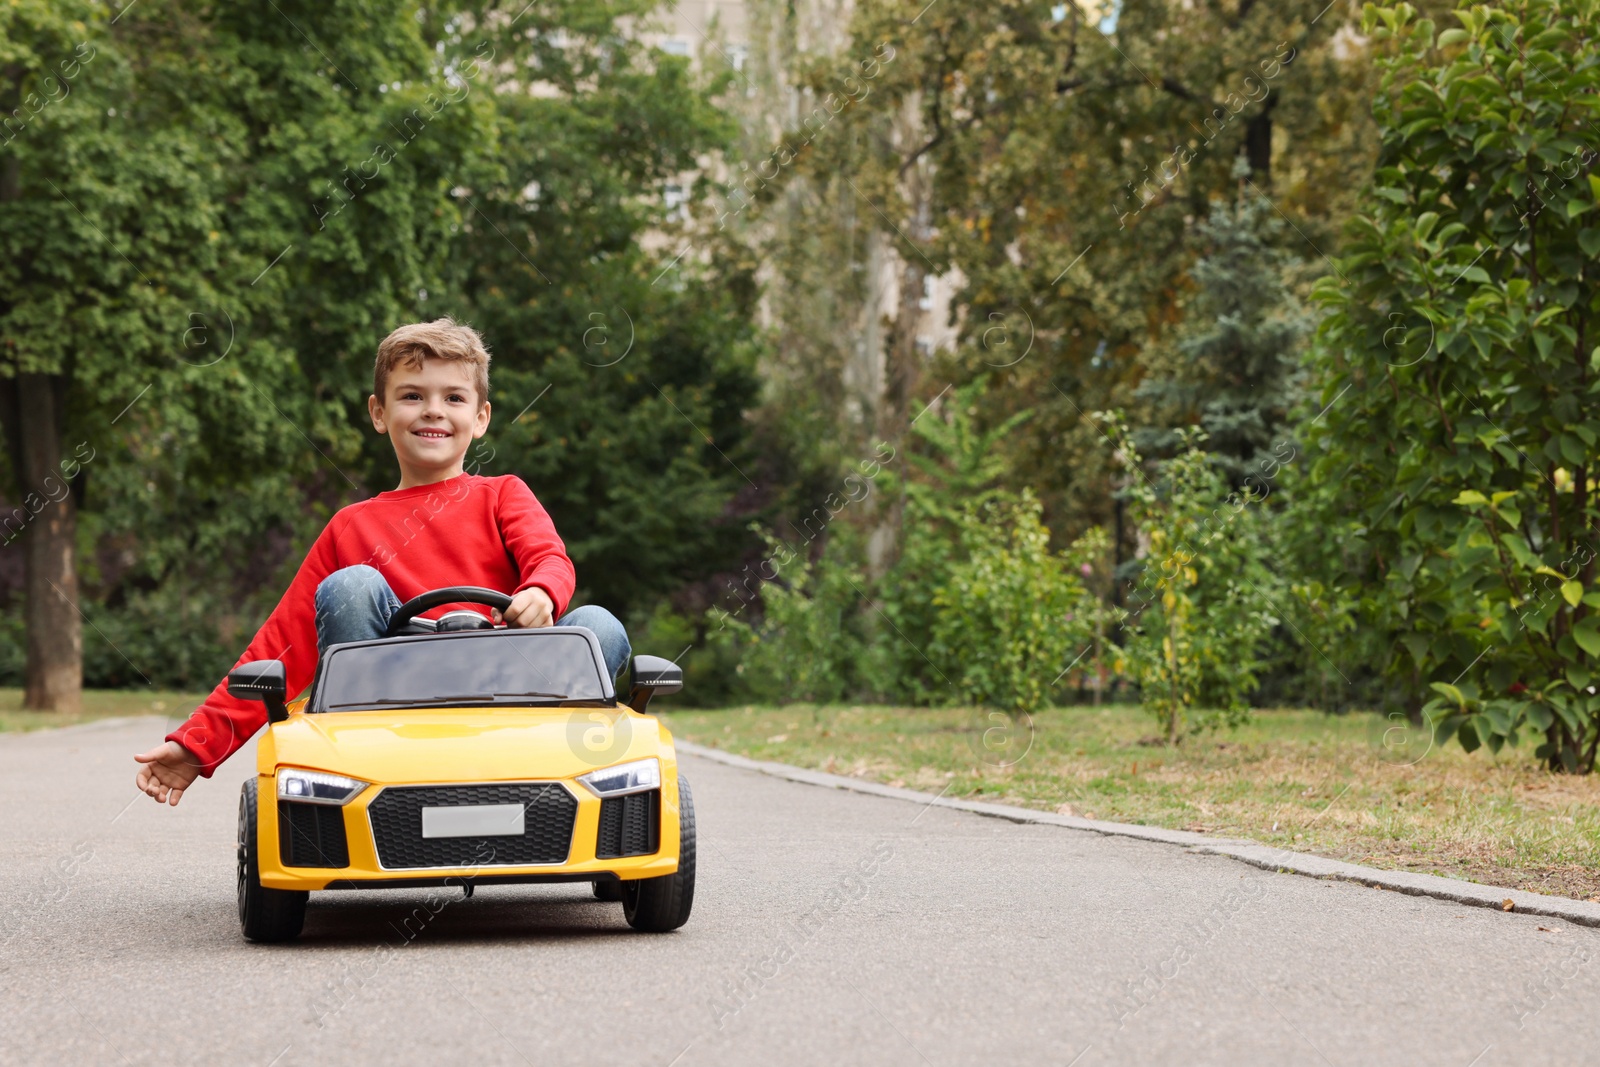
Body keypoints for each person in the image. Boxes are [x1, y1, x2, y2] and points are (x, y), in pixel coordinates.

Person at [133, 317, 628, 806]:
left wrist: (541, 592)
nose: (433, 411)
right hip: (390, 701)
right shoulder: (350, 526)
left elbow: (550, 559)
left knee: (599, 626)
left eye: (453, 398)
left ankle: (552, 772)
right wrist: (196, 745)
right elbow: (284, 642)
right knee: (350, 586)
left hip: (509, 685)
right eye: (412, 396)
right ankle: (361, 761)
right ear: (378, 411)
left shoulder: (504, 494)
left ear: (480, 418)